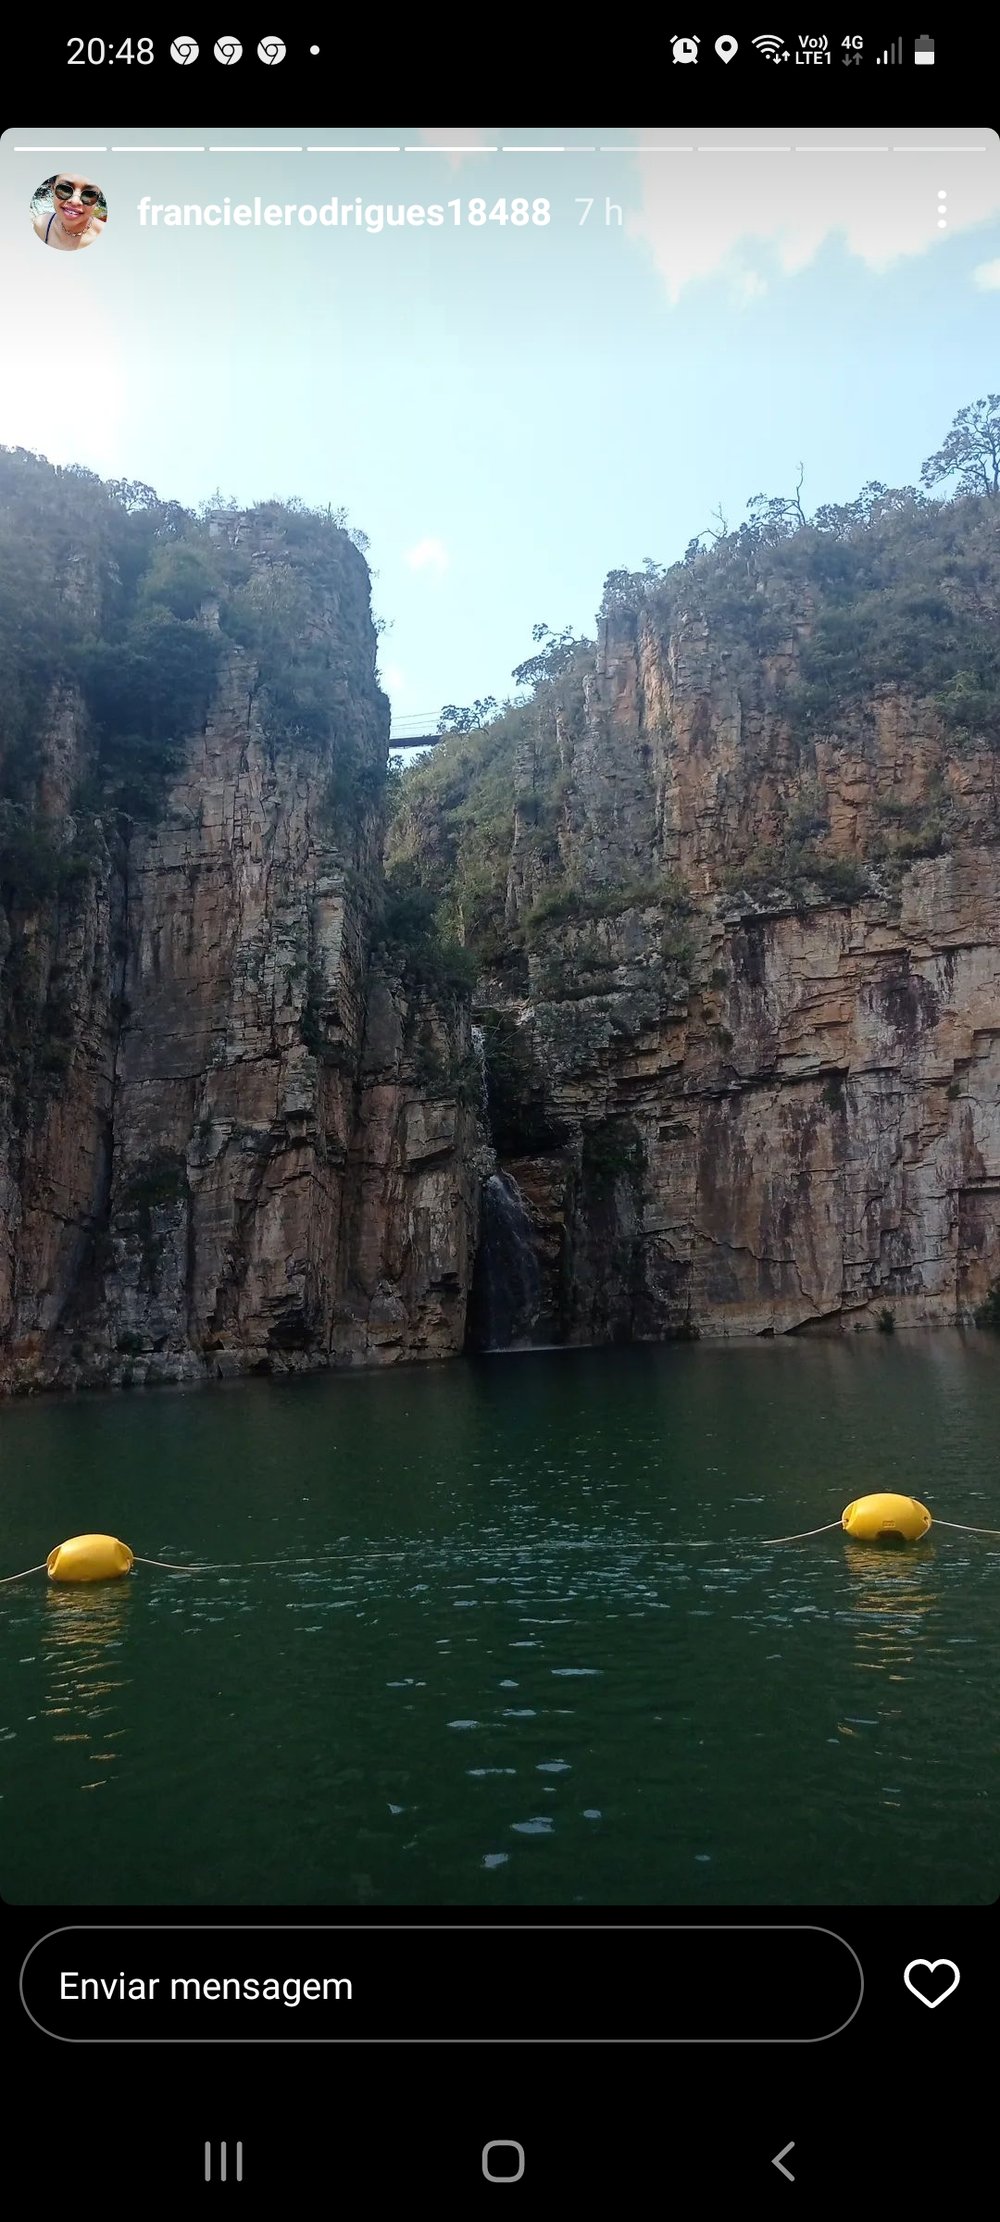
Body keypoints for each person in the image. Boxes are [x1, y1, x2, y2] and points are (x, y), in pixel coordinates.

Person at [32, 174, 107, 250]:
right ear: (53, 188)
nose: (75, 201)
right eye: (65, 189)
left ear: (98, 199)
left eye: (89, 194)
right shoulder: (41, 225)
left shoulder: (107, 237)